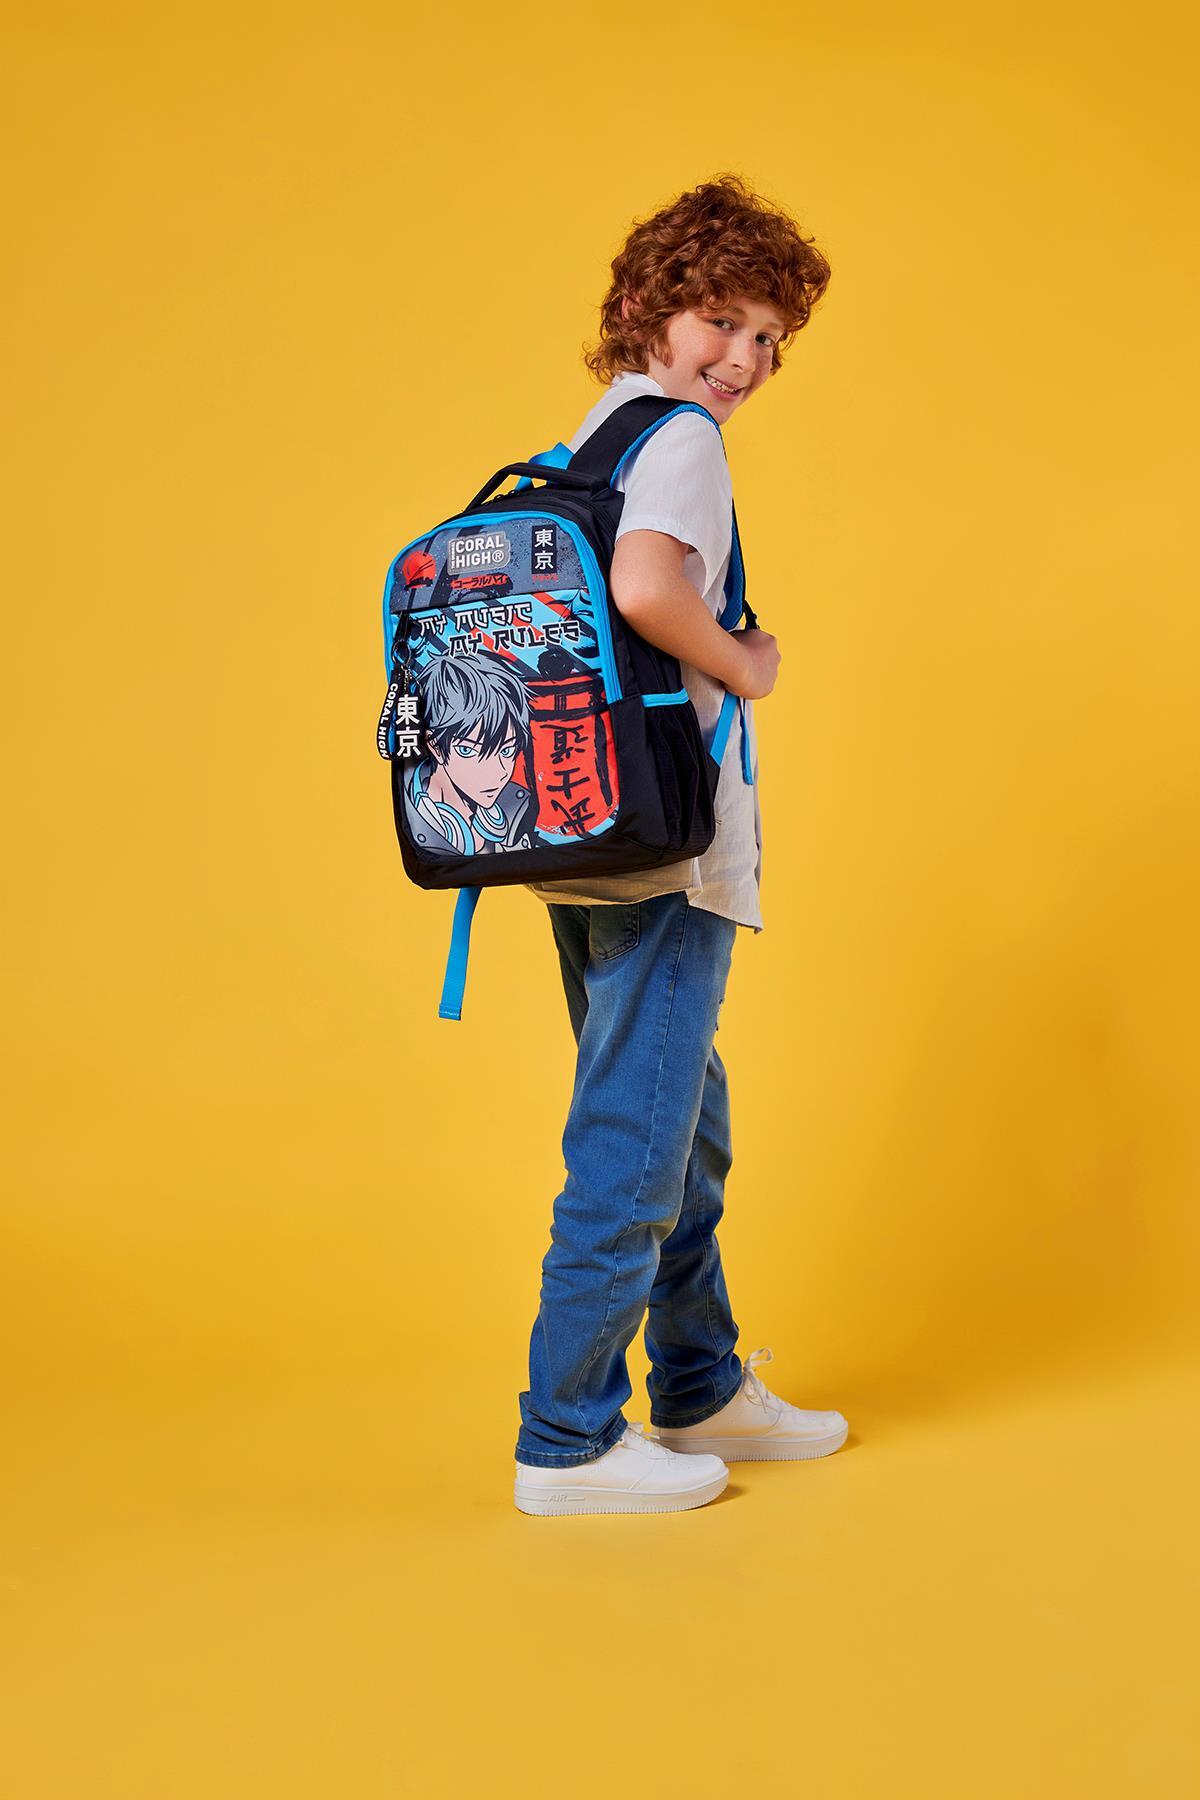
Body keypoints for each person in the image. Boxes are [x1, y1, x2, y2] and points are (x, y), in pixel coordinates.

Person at [513, 174, 848, 1517]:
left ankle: (701, 1383)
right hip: (667, 844)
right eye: (723, 321)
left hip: (576, 830)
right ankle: (567, 1440)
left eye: (770, 338)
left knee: (680, 1127)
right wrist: (749, 664)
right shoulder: (685, 441)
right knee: (635, 1141)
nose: (747, 360)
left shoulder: (596, 432)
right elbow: (649, 590)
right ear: (651, 310)